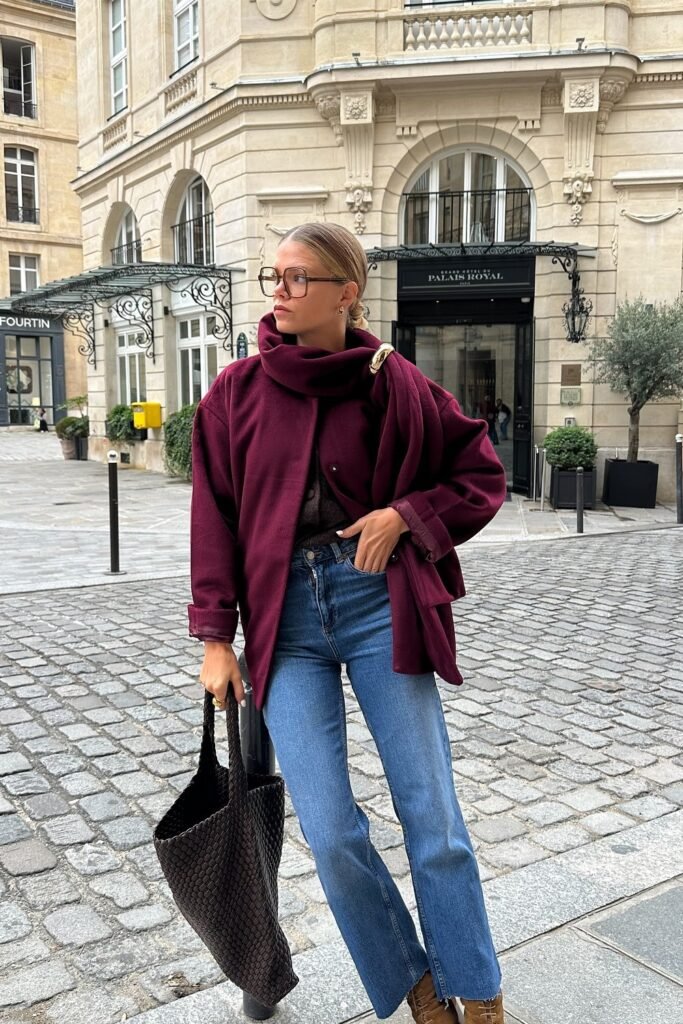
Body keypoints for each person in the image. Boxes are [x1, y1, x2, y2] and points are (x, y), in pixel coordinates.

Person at [189, 222, 507, 1024]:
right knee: (330, 831)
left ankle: (477, 987)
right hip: (283, 623)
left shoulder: (394, 382)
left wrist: (405, 513)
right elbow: (214, 517)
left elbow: (479, 473)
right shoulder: (234, 393)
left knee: (431, 816)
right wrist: (215, 638)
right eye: (276, 275)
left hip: (378, 607)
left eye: (299, 278)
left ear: (346, 292)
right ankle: (415, 986)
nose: (280, 291)